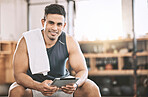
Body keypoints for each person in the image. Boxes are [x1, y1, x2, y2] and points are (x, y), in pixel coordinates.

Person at [8, 4, 101, 97]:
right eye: (51, 23)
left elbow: (82, 70)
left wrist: (75, 84)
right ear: (43, 22)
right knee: (15, 90)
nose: (54, 28)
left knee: (92, 88)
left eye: (59, 24)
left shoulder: (69, 41)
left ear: (64, 25)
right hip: (36, 87)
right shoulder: (26, 40)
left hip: (63, 87)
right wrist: (38, 86)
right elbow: (18, 74)